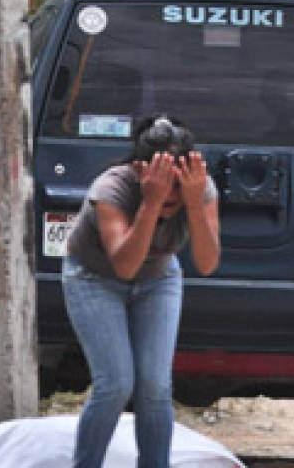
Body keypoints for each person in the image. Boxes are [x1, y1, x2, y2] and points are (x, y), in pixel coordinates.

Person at [62, 115, 221, 468]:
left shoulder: (199, 188)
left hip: (159, 277)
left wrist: (194, 203)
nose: (172, 198)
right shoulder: (112, 189)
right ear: (139, 171)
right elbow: (125, 267)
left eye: (178, 188)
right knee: (116, 383)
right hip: (94, 277)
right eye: (165, 187)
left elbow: (208, 263)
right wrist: (151, 203)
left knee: (155, 385)